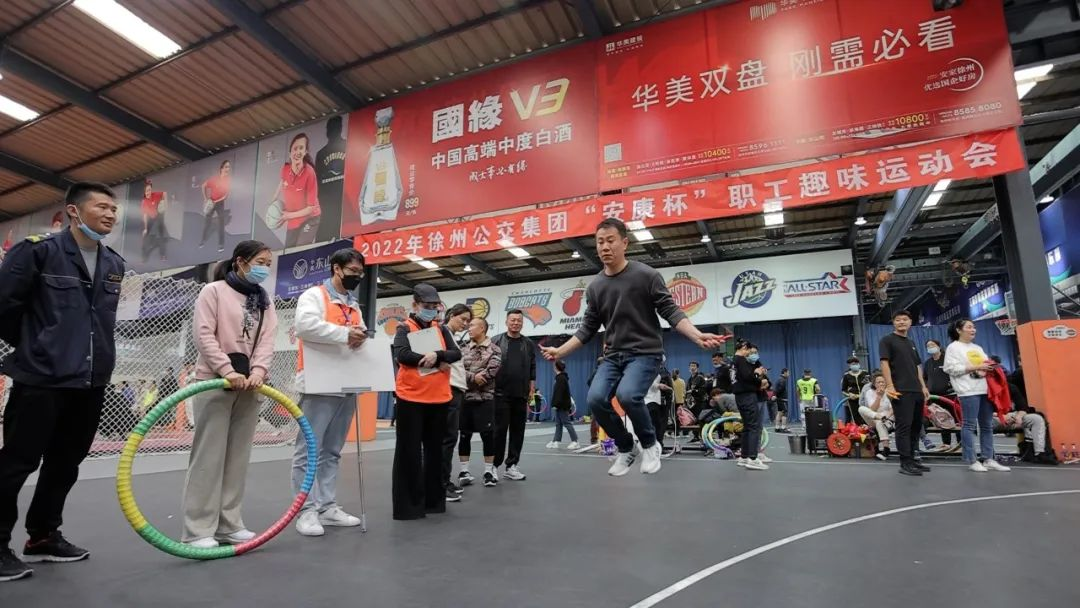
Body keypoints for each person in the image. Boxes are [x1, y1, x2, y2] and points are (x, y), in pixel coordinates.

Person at [0, 182, 124, 581]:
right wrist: (38, 346)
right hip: (41, 378)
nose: (110, 214)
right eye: (101, 207)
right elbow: (5, 307)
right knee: (17, 463)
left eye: (113, 209)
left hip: (90, 381)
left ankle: (43, 536)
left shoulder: (113, 263)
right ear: (74, 211)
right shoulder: (37, 251)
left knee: (65, 463)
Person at [541, 218, 723, 477]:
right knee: (595, 399)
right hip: (613, 356)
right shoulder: (595, 287)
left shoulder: (646, 275)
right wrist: (560, 351)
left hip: (646, 353)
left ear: (624, 243)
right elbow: (587, 329)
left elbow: (671, 311)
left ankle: (650, 444)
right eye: (600, 242)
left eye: (610, 240)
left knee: (628, 395)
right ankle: (626, 448)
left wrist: (696, 335)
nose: (605, 247)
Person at [181, 240, 279, 547]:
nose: (265, 268)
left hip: (250, 386)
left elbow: (267, 340)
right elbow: (203, 335)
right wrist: (227, 370)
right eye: (260, 262)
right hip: (215, 383)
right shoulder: (213, 292)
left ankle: (229, 523)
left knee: (238, 458)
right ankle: (198, 529)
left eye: (269, 264)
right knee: (208, 458)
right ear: (240, 261)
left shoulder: (264, 300)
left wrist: (258, 372)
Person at [291, 248, 369, 537]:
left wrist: (360, 337)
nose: (357, 277)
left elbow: (359, 333)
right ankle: (306, 510)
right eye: (352, 271)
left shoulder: (354, 305)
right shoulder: (314, 295)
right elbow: (304, 326)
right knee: (308, 450)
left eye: (360, 273)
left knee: (333, 450)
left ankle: (327, 506)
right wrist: (345, 334)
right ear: (336, 268)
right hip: (318, 383)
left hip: (345, 383)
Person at [391, 283, 461, 520]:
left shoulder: (441, 329)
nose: (431, 310)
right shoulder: (404, 327)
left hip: (438, 398)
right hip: (410, 397)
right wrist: (433, 360)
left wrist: (437, 354)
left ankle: (433, 502)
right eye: (427, 305)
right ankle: (409, 506)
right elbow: (402, 355)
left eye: (435, 306)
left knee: (435, 453)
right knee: (408, 452)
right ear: (415, 305)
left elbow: (455, 353)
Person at [943, 319, 1011, 473]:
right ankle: (971, 460)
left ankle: (988, 458)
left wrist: (990, 367)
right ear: (959, 330)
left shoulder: (977, 348)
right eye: (969, 327)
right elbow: (950, 368)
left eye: (974, 327)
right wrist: (976, 366)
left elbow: (985, 365)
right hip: (968, 391)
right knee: (969, 425)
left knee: (987, 425)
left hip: (985, 390)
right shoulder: (953, 347)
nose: (973, 330)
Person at [878, 310, 931, 477]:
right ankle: (905, 462)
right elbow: (884, 364)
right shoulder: (887, 340)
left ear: (910, 322)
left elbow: (917, 366)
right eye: (898, 320)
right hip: (900, 390)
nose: (902, 322)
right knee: (904, 426)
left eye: (905, 319)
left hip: (916, 390)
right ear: (893, 322)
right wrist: (890, 385)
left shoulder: (911, 342)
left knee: (916, 426)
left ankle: (913, 459)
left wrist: (923, 386)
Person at [491, 309, 536, 481]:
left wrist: (531, 387)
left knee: (518, 432)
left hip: (521, 394)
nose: (516, 323)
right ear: (506, 322)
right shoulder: (496, 341)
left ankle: (511, 466)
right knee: (499, 431)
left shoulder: (528, 344)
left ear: (522, 323)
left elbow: (532, 367)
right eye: (513, 320)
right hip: (500, 394)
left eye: (519, 320)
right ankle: (493, 466)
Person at [458, 317, 502, 487]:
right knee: (464, 435)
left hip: (486, 399)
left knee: (488, 435)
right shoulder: (462, 349)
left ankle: (488, 472)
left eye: (472, 325)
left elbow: (490, 373)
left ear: (482, 328)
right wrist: (473, 377)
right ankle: (464, 471)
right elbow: (458, 372)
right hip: (465, 399)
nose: (468, 328)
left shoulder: (495, 350)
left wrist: (472, 376)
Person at [441, 304, 472, 501]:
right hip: (449, 389)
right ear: (451, 315)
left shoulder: (451, 336)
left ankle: (444, 480)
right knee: (446, 438)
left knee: (450, 438)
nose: (465, 324)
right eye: (463, 319)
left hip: (456, 390)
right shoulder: (442, 333)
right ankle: (440, 485)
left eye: (468, 321)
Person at [272, 132, 321, 247]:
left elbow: (310, 208)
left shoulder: (310, 173)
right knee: (288, 252)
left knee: (300, 249)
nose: (298, 152)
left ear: (305, 152)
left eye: (301, 148)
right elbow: (282, 182)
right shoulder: (285, 169)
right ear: (290, 153)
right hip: (293, 221)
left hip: (310, 218)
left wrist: (288, 216)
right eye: (295, 148)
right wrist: (272, 201)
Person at [732, 340, 768, 470]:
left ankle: (744, 456)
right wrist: (757, 373)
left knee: (747, 426)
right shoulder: (741, 360)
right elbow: (748, 377)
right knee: (753, 426)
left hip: (740, 396)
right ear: (744, 348)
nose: (749, 354)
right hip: (747, 396)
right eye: (748, 350)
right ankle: (753, 458)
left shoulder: (733, 362)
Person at [315, 116, 347, 243]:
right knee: (322, 240)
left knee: (344, 239)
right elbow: (317, 181)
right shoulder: (321, 153)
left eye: (334, 127)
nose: (331, 130)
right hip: (327, 203)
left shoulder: (349, 146)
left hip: (344, 202)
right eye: (330, 128)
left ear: (340, 128)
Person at [922, 339, 957, 451]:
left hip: (950, 395)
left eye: (932, 345)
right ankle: (946, 443)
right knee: (942, 419)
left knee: (956, 420)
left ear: (938, 346)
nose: (930, 347)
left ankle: (960, 443)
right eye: (928, 346)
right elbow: (925, 378)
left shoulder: (947, 359)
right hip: (934, 397)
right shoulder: (928, 363)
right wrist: (926, 389)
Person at [859, 373, 894, 461]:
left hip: (887, 418)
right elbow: (872, 409)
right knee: (861, 408)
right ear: (874, 384)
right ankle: (880, 418)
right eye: (878, 382)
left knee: (879, 423)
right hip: (874, 416)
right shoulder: (869, 392)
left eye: (883, 382)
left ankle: (886, 449)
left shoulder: (890, 392)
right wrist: (879, 397)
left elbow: (893, 409)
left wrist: (886, 417)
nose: (881, 384)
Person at [199, 160, 232, 252]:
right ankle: (202, 241)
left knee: (221, 224)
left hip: (220, 203)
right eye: (226, 167)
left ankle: (221, 244)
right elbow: (203, 186)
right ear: (221, 168)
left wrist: (215, 202)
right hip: (211, 201)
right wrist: (205, 199)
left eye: (229, 167)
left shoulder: (228, 180)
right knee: (207, 222)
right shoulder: (215, 178)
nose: (228, 169)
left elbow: (225, 196)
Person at [547, 360, 580, 450]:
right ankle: (556, 441)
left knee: (566, 423)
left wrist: (555, 404)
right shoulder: (561, 377)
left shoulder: (561, 378)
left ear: (556, 367)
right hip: (560, 404)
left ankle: (575, 441)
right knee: (558, 424)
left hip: (562, 405)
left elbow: (559, 393)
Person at [140, 178, 168, 263]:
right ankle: (144, 257)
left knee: (161, 235)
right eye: (146, 191)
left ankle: (163, 255)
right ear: (144, 192)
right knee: (145, 235)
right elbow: (145, 215)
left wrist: (166, 205)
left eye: (149, 190)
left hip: (159, 215)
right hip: (151, 217)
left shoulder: (155, 195)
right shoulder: (144, 202)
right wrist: (145, 228)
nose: (148, 192)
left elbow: (164, 193)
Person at [841, 357, 869, 423]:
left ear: (859, 364)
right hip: (853, 400)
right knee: (856, 417)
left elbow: (870, 385)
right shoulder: (846, 376)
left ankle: (868, 428)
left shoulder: (865, 373)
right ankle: (859, 429)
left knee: (866, 415)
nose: (854, 365)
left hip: (865, 399)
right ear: (849, 365)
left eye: (856, 364)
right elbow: (843, 390)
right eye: (852, 364)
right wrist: (849, 395)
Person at [774, 368, 790, 433]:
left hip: (779, 399)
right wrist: (775, 395)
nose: (789, 374)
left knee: (779, 412)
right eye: (788, 373)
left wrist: (775, 395)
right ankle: (783, 428)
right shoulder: (782, 380)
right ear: (785, 372)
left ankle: (777, 427)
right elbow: (779, 389)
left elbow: (777, 389)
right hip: (782, 399)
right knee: (784, 413)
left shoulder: (779, 379)